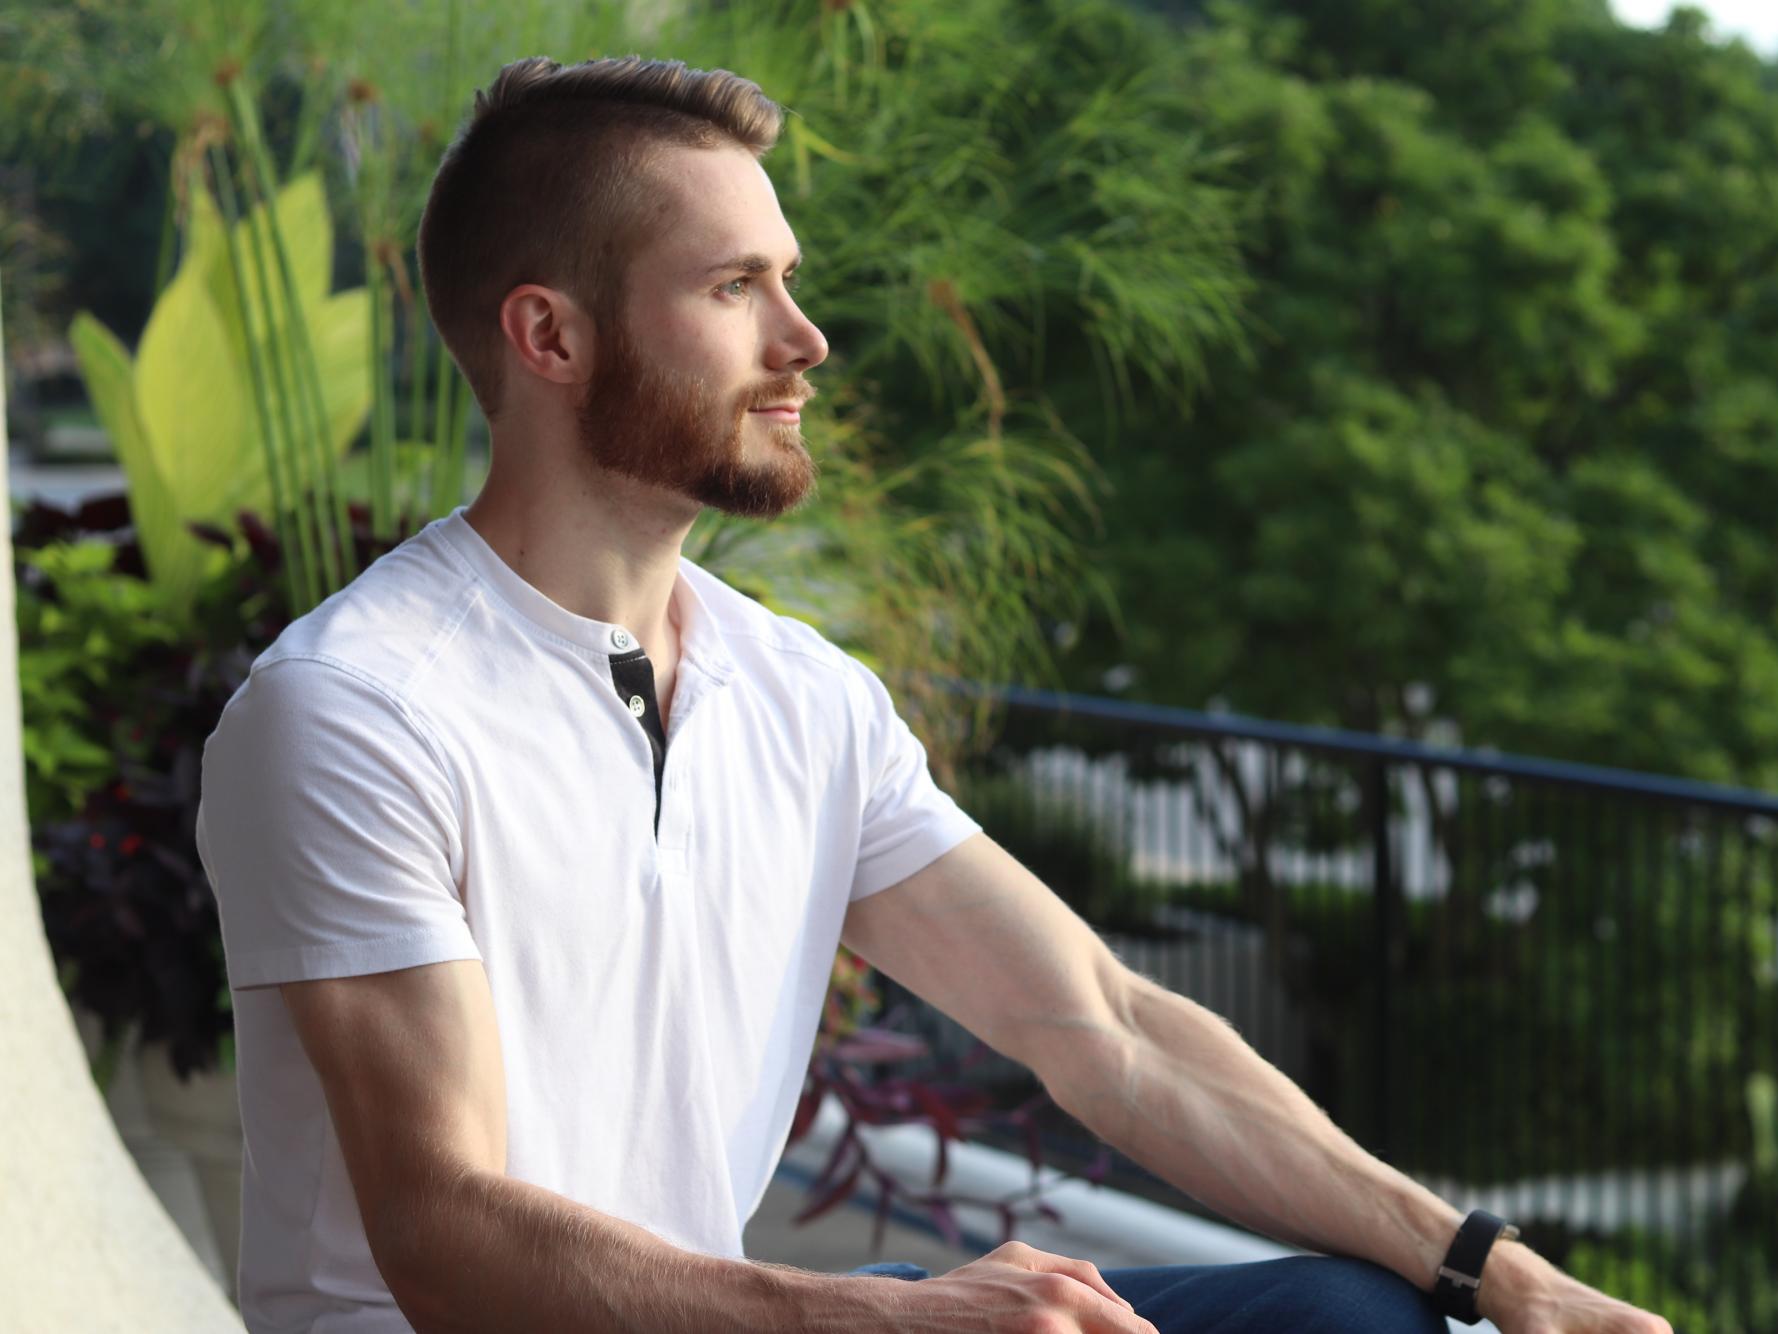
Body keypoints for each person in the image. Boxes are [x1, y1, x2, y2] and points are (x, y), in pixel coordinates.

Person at [196, 54, 1673, 1334]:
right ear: (552, 337)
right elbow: (447, 1234)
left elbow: (1104, 1023)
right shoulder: (357, 709)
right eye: (734, 287)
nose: (804, 340)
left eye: (788, 281)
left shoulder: (800, 696)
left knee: (1356, 1313)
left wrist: (1493, 1266)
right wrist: (899, 1318)